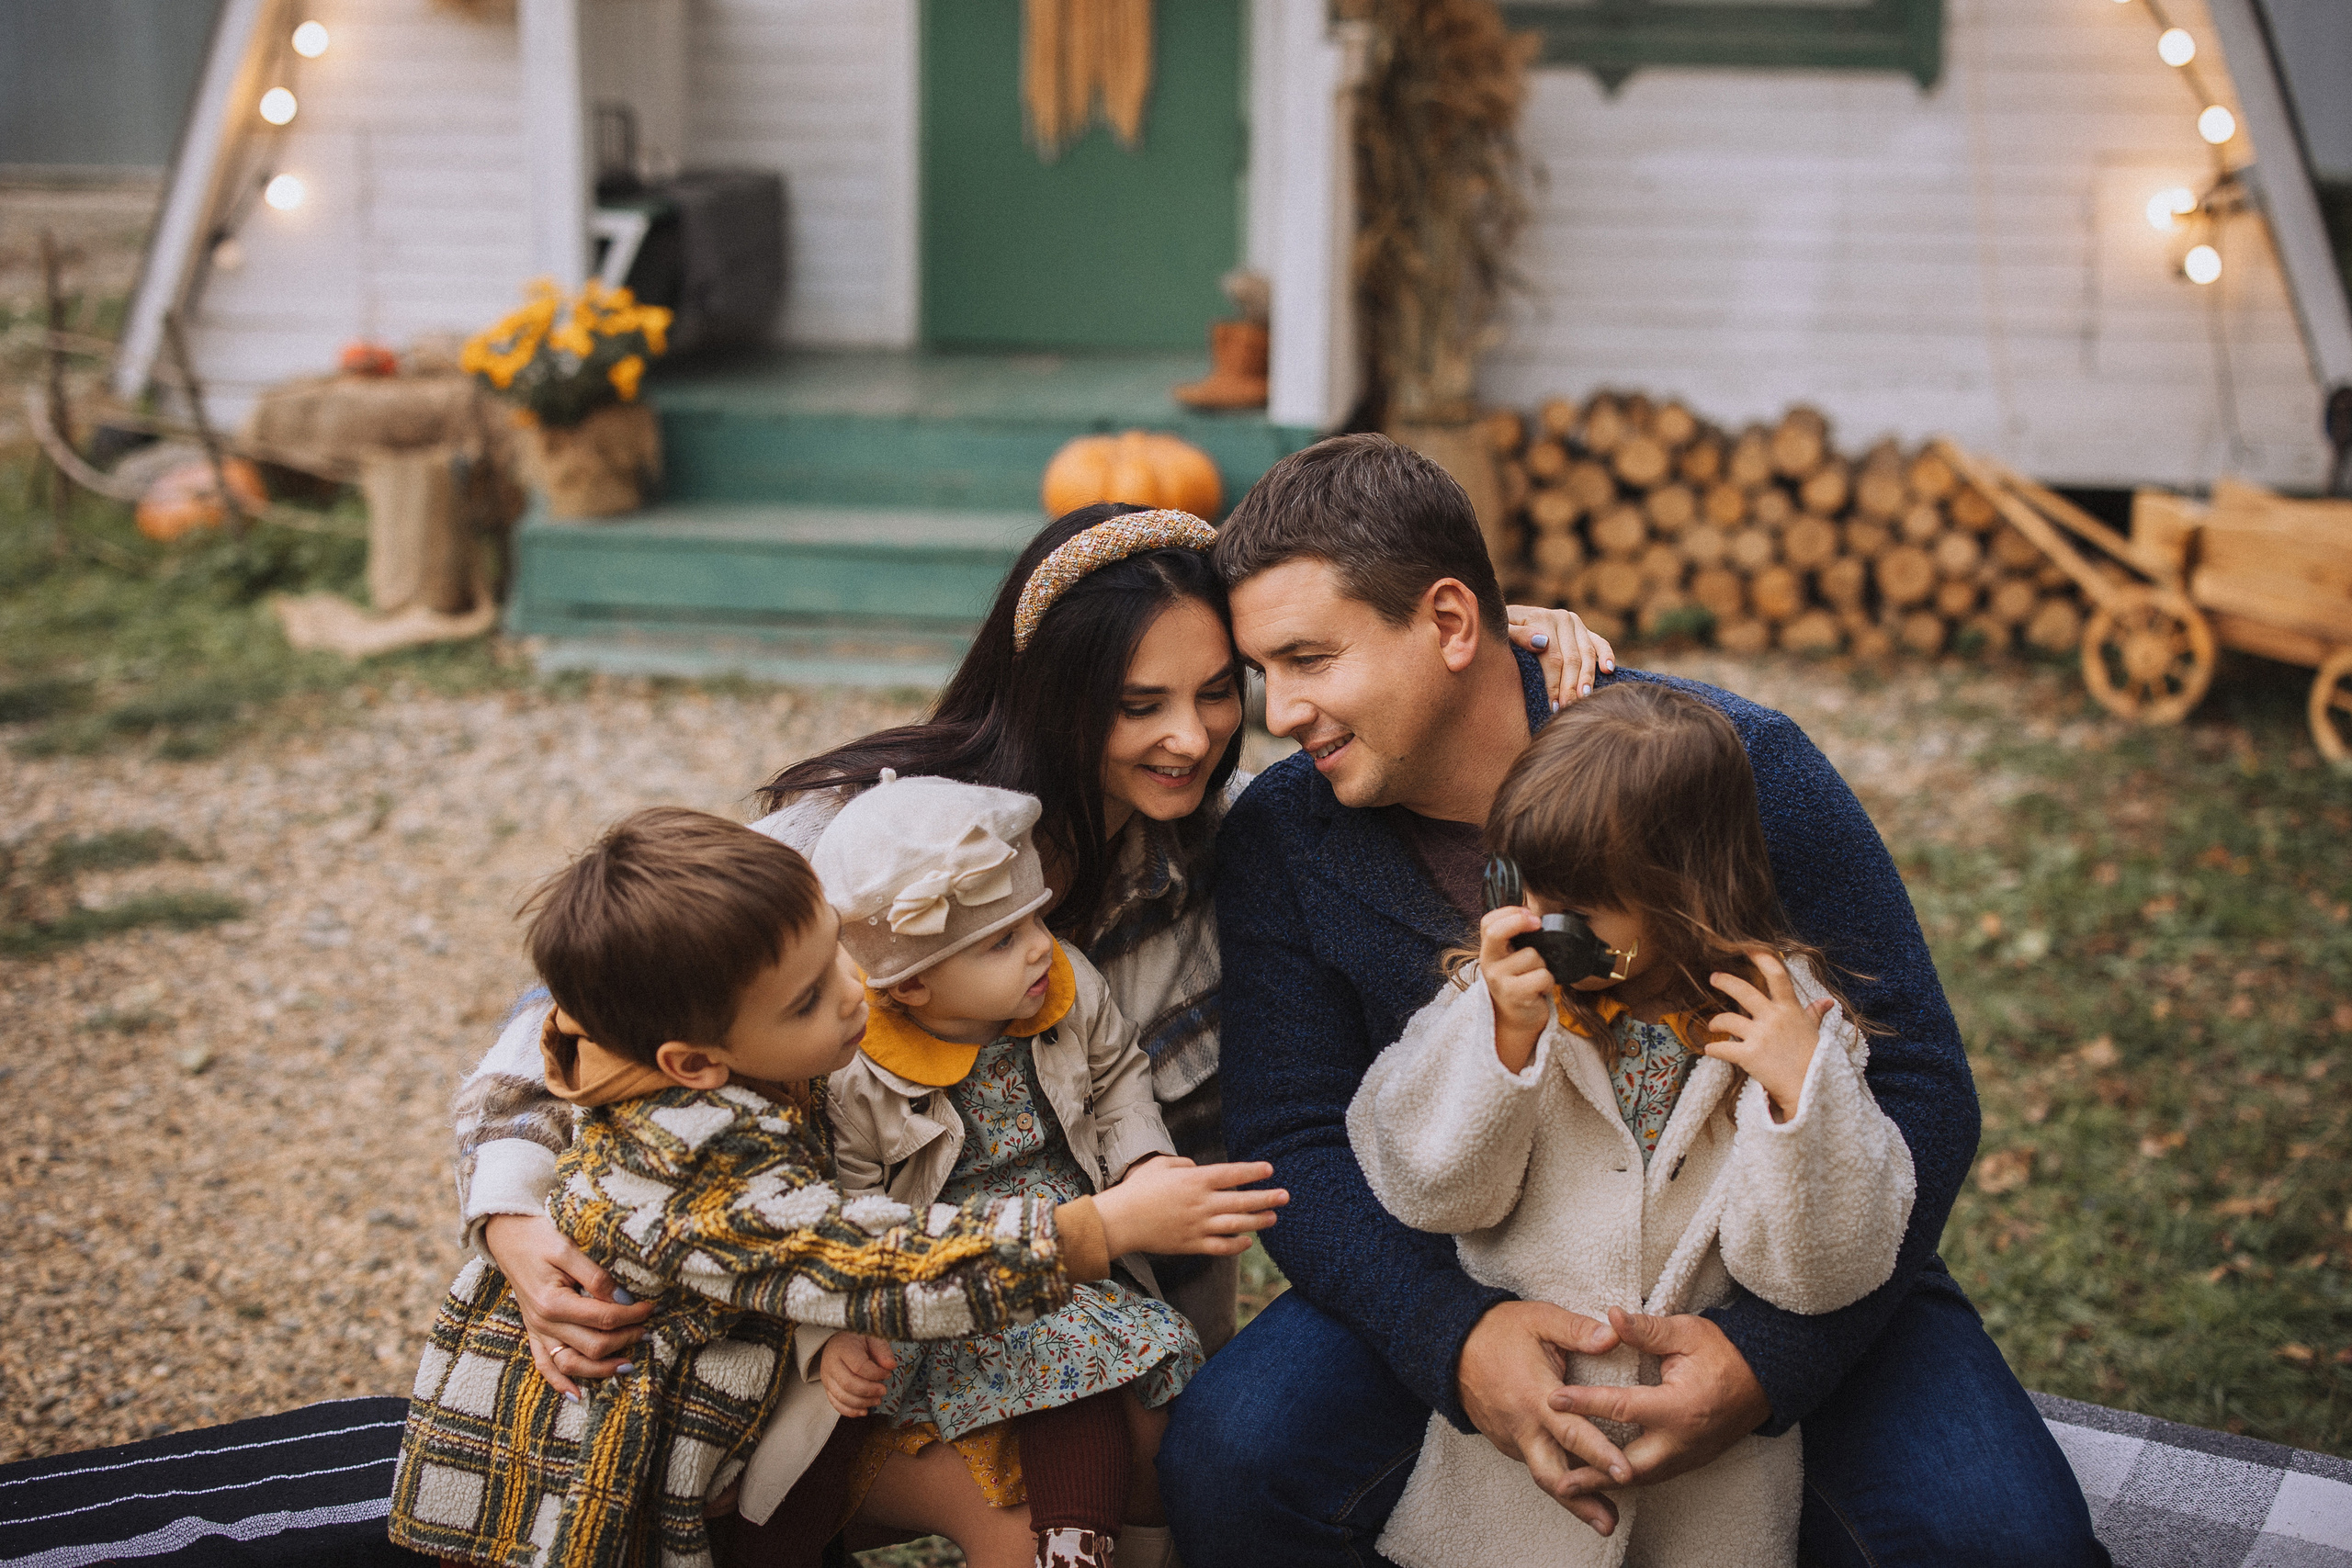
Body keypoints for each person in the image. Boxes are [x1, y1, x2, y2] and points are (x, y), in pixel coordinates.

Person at [1158, 434, 2107, 1567]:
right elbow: (1295, 1139)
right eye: (1265, 672)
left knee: (2002, 1540)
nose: (1279, 712)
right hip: (1478, 1259)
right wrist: (1452, 1341)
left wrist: (1765, 1365)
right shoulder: (1288, 831)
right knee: (1232, 1455)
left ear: (1451, 625)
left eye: (1309, 659)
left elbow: (1921, 1087)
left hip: (1781, 1248)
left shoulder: (1733, 770)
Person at [447, 501, 1611, 1397]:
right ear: (1058, 695)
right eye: (1137, 703)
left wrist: (1484, 660)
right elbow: (576, 1013)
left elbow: (1385, 710)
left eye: (1217, 693)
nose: (1189, 736)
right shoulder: (883, 835)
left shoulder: (1233, 839)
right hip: (843, 1303)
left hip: (1103, 1283)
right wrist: (515, 1218)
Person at [387, 807, 1076, 1567]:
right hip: (568, 1471)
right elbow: (860, 1258)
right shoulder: (691, 1157)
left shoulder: (680, 1038)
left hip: (668, 1415)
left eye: (836, 953)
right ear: (691, 1064)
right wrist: (1088, 1234)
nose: (854, 991)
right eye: (808, 998)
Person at [1346, 682, 1917, 1567]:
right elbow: (1428, 1186)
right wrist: (1496, 1040)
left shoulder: (1795, 1032)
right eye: (1512, 882)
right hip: (1509, 1497)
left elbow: (1819, 1274)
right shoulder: (1496, 995)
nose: (1534, 923)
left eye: (1573, 906)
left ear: (1687, 898)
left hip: (1707, 1496)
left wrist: (1798, 1101)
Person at [797, 773, 1272, 1568]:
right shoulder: (859, 1074)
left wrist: (1145, 1162)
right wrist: (835, 1332)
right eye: (998, 940)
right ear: (910, 983)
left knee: (1156, 1407)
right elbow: (843, 1220)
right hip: (952, 1281)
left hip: (1081, 1258)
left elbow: (1119, 1076)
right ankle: (1073, 1545)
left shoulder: (1064, 985)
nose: (1036, 949)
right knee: (1069, 1366)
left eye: (1035, 919)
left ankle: (1136, 1548)